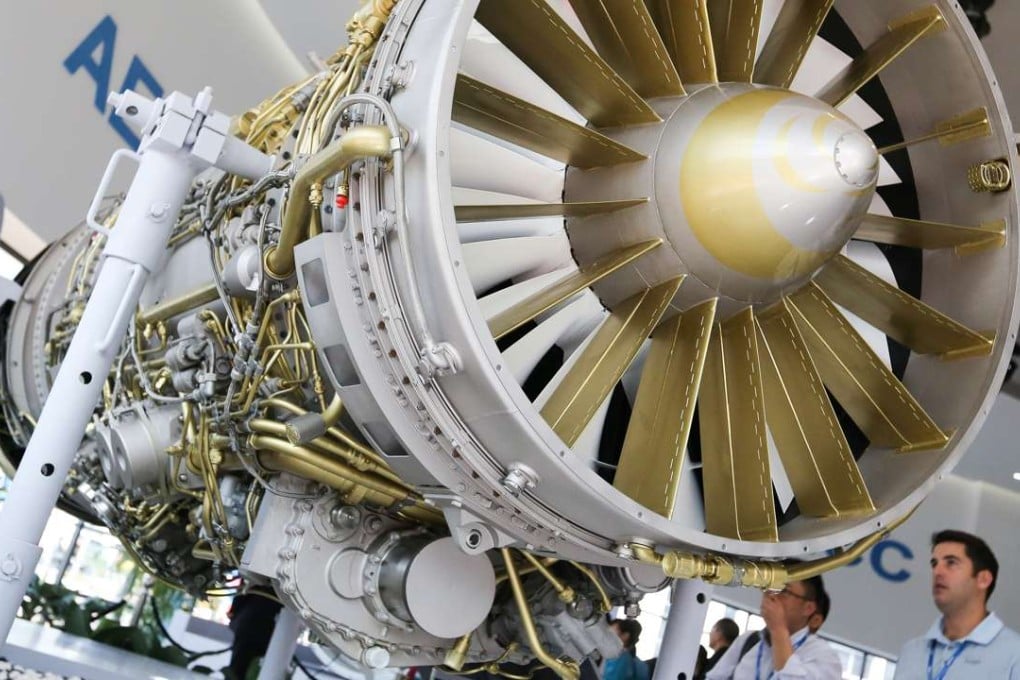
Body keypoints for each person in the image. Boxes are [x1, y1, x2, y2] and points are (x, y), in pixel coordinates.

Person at [893, 529, 1020, 679]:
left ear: (983, 579)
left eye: (951, 563)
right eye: (934, 564)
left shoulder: (1014, 655)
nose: (937, 572)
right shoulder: (912, 652)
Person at [706, 576, 840, 679]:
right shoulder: (749, 640)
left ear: (808, 608)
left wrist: (779, 629)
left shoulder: (824, 657)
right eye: (771, 586)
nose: (770, 594)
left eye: (784, 590)